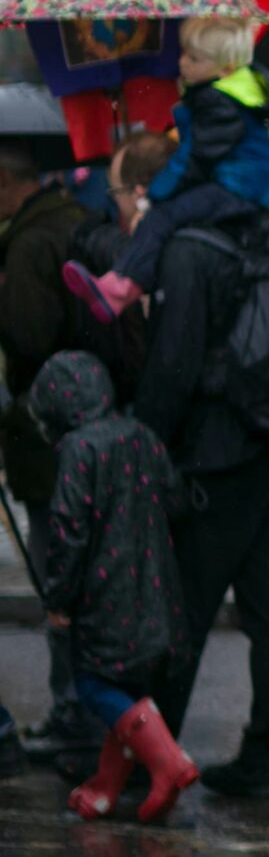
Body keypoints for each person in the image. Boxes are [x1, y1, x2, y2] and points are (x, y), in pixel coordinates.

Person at [127, 157, 269, 799]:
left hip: (217, 457)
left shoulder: (189, 251)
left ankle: (155, 757)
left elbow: (173, 367)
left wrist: (143, 443)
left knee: (185, 615)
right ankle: (266, 757)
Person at [31, 352, 196, 822]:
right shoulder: (140, 434)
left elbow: (67, 532)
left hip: (104, 595)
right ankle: (106, 786)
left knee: (93, 683)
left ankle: (167, 761)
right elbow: (175, 498)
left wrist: (58, 599)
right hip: (153, 586)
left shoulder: (78, 449)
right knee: (125, 684)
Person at [64, 16, 269, 322]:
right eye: (183, 54)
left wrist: (155, 195)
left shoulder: (218, 102)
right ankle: (121, 284)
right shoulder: (229, 92)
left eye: (195, 59)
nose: (183, 63)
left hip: (236, 189)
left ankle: (120, 287)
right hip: (237, 185)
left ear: (226, 69)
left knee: (162, 216)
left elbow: (194, 159)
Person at [0, 141, 104, 766]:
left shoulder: (32, 243)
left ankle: (73, 710)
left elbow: (27, 335)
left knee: (55, 576)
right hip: (84, 423)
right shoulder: (74, 221)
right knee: (81, 570)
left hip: (42, 435)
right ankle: (89, 706)